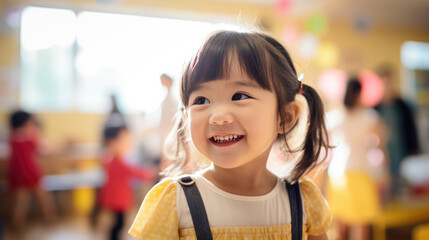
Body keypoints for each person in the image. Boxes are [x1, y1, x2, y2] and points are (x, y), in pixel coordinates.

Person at [128, 30, 332, 240]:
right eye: (201, 100)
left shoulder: (303, 201)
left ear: (285, 116)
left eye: (239, 96)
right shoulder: (174, 202)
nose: (218, 117)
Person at [327, 78, 388, 240]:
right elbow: (381, 147)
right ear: (360, 93)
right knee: (360, 223)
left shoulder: (334, 117)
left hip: (338, 173)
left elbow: (322, 144)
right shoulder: (369, 117)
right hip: (361, 172)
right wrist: (384, 173)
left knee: (341, 223)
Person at [98, 125, 157, 240]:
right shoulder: (116, 162)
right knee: (119, 224)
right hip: (117, 200)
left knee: (119, 224)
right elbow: (135, 173)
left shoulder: (110, 158)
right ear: (111, 143)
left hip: (115, 199)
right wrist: (153, 172)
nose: (128, 145)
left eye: (129, 141)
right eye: (124, 141)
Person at [374, 64, 420, 197]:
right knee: (386, 182)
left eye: (390, 82)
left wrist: (414, 148)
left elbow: (411, 129)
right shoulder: (376, 109)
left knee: (402, 181)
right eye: (385, 83)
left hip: (401, 149)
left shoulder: (403, 106)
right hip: (383, 153)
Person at [7, 110, 55, 229]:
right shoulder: (31, 136)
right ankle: (49, 218)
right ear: (26, 122)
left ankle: (17, 224)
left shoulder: (12, 137)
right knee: (43, 197)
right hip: (31, 171)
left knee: (21, 201)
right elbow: (43, 149)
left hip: (17, 172)